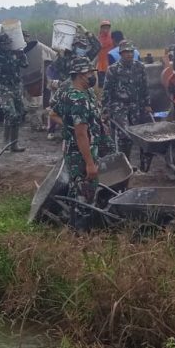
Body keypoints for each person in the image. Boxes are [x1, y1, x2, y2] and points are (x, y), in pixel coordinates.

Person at [50, 57, 106, 229]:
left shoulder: (85, 92)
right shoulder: (76, 98)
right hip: (80, 152)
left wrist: (100, 124)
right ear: (78, 75)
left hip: (87, 148)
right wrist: (89, 163)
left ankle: (78, 222)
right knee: (84, 190)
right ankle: (80, 232)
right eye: (88, 73)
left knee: (81, 187)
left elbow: (56, 114)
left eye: (92, 72)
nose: (91, 75)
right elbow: (81, 134)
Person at [103, 40, 151, 162]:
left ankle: (143, 162)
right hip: (119, 106)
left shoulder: (139, 67)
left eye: (131, 51)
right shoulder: (113, 70)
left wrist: (147, 104)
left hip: (136, 105)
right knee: (125, 135)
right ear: (121, 53)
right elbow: (107, 90)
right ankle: (125, 163)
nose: (129, 54)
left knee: (139, 135)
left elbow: (145, 87)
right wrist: (106, 110)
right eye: (126, 52)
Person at [0, 32, 29, 151]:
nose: (7, 46)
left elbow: (25, 64)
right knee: (12, 114)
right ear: (0, 45)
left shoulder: (14, 54)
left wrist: (22, 53)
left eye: (8, 43)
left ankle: (11, 143)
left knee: (19, 113)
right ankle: (9, 143)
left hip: (15, 87)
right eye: (4, 44)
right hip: (4, 87)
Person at [96, 20, 114, 86]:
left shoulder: (113, 38)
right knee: (102, 85)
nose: (106, 29)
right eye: (104, 28)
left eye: (107, 28)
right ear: (101, 28)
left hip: (111, 65)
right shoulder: (98, 39)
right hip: (101, 66)